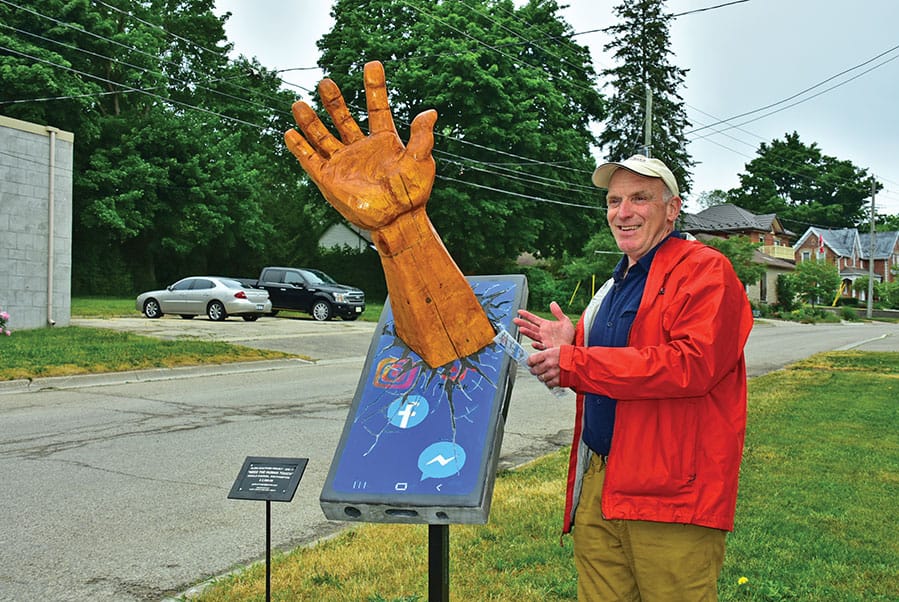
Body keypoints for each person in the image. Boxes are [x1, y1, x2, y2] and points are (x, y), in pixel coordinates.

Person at [514, 154, 753, 601]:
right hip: (602, 481)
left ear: (673, 208)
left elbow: (690, 365)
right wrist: (572, 342)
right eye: (613, 200)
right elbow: (615, 362)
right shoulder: (617, 281)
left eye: (640, 198)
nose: (623, 212)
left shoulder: (706, 271)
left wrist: (576, 363)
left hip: (671, 493)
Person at [284, 61, 495, 368]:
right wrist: (391, 219)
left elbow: (464, 340)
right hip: (431, 336)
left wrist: (401, 210)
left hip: (455, 339)